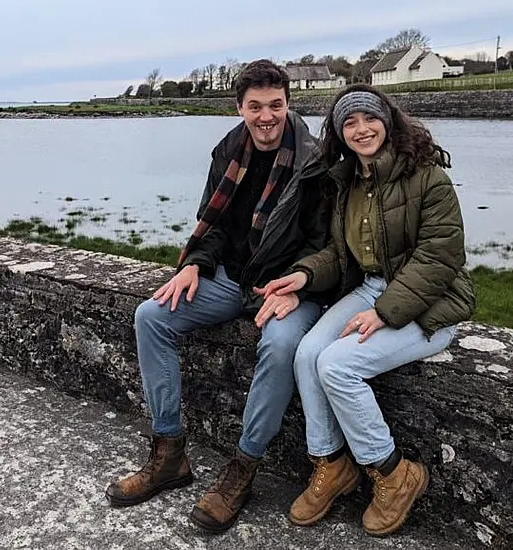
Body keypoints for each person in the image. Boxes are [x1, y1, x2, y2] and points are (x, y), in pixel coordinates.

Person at [104, 59, 331, 533]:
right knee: (151, 316)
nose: (266, 116)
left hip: (291, 285)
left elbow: (326, 241)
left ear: (289, 103)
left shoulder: (315, 160)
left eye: (275, 105)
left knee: (282, 345)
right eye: (255, 107)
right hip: (233, 277)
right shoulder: (229, 149)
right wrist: (194, 264)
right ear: (240, 107)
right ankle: (169, 454)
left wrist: (300, 283)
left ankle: (242, 470)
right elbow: (214, 223)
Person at [258, 83, 476, 536]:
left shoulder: (428, 176)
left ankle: (394, 473)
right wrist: (303, 276)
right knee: (306, 353)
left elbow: (441, 256)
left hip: (433, 304)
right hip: (371, 289)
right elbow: (341, 256)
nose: (361, 129)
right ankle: (332, 462)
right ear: (339, 133)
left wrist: (384, 312)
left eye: (369, 118)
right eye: (349, 123)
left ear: (387, 120)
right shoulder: (348, 182)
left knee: (336, 365)